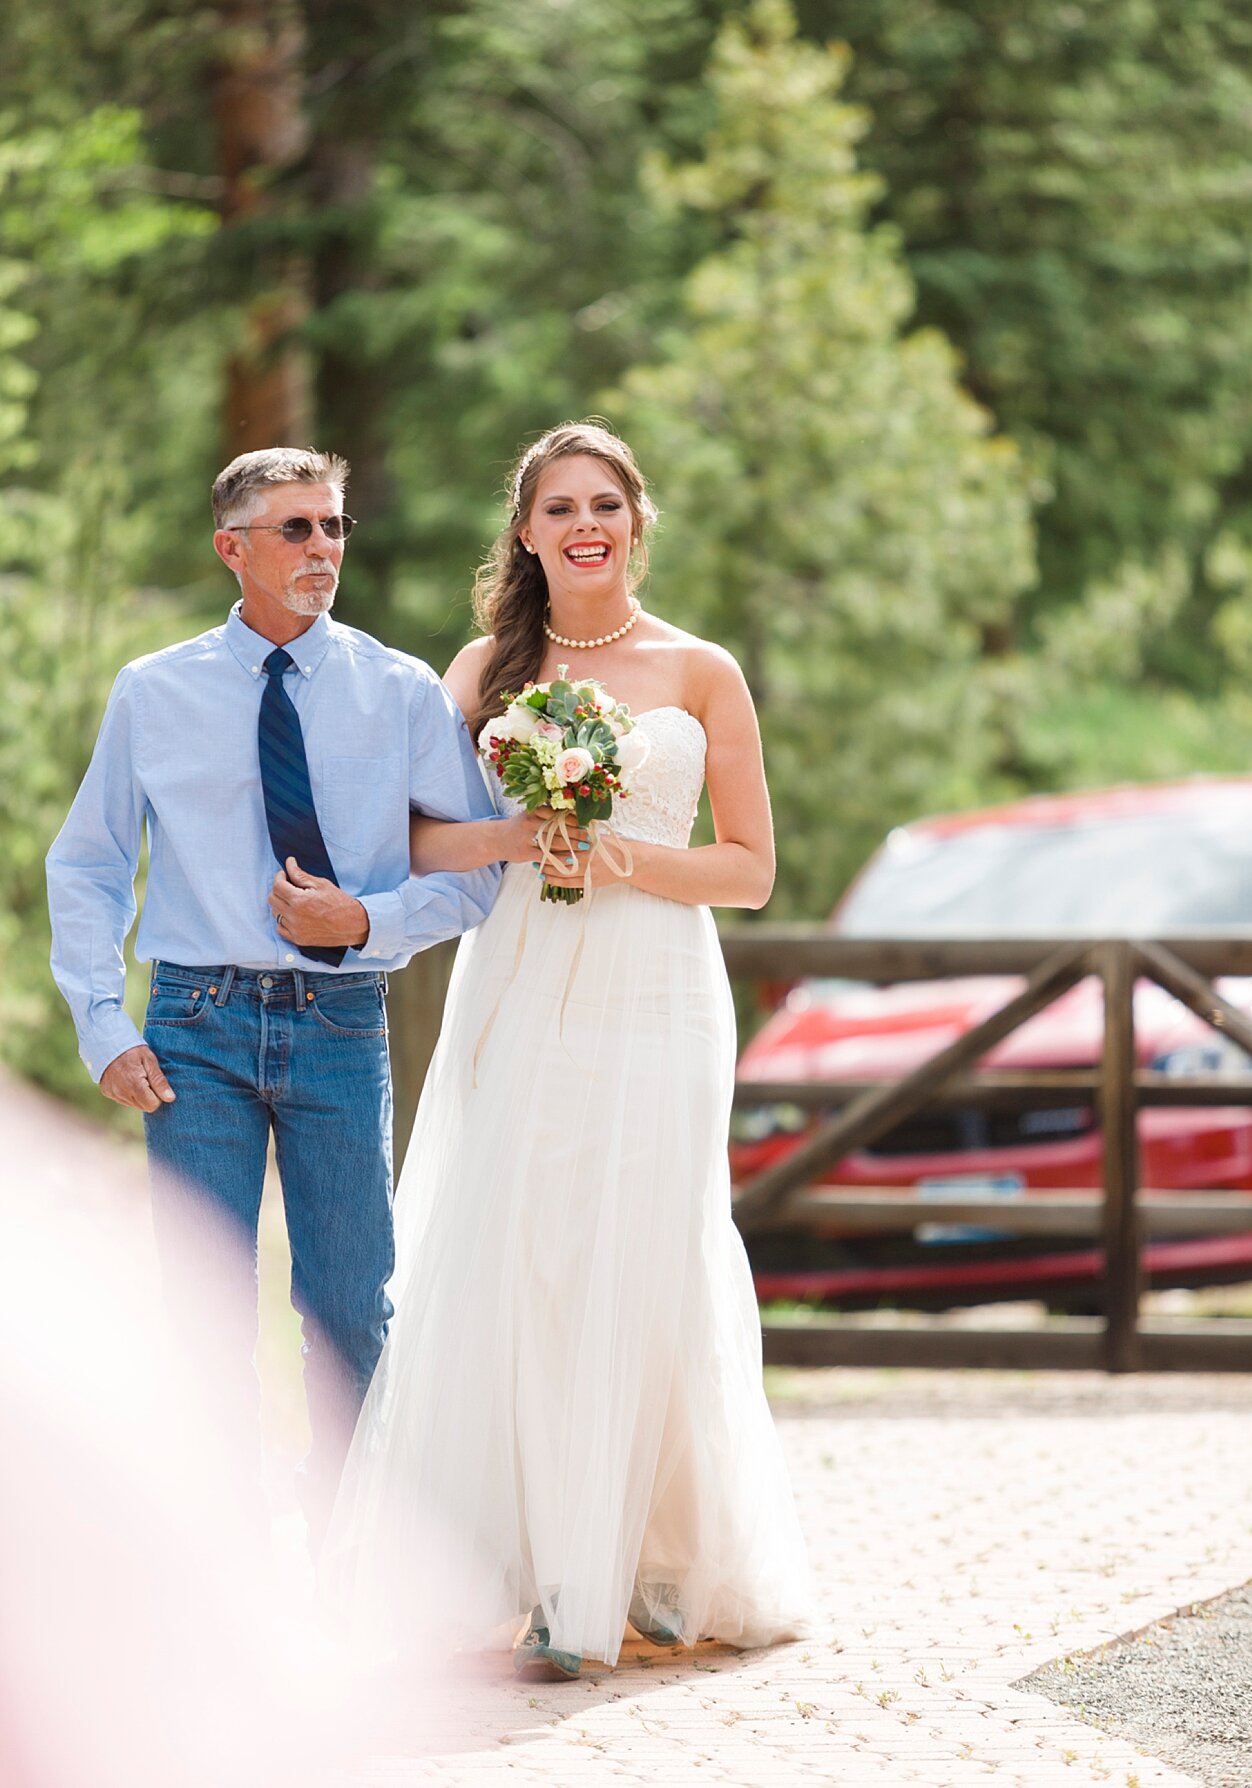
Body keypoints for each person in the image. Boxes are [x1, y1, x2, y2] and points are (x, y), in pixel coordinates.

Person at [316, 421, 812, 1677]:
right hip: (525, 978)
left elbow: (751, 870)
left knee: (643, 1246)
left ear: (636, 519)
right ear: (527, 531)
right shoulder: (483, 667)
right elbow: (411, 843)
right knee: (519, 1248)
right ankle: (524, 1563)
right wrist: (523, 837)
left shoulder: (705, 671)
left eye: (605, 502)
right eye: (558, 506)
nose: (584, 523)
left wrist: (619, 853)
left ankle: (641, 1556)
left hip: (658, 990)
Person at [45, 446, 502, 1533]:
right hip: (191, 1028)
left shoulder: (396, 692)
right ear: (231, 549)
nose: (322, 549)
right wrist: (102, 1023)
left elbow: (477, 873)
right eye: (295, 529)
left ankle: (342, 1551)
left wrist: (367, 921)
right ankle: (222, 1557)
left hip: (339, 1023)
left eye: (334, 526)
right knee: (200, 1308)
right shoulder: (153, 692)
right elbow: (91, 864)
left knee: (349, 1307)